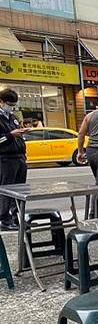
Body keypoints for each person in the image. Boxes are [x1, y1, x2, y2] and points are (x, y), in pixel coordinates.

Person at [0, 89, 29, 231]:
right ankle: (4, 218)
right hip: (6, 159)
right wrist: (11, 135)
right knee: (7, 189)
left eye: (13, 104)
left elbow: (17, 132)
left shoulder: (13, 117)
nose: (11, 107)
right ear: (1, 102)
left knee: (20, 190)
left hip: (20, 157)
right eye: (9, 104)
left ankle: (17, 217)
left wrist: (22, 132)